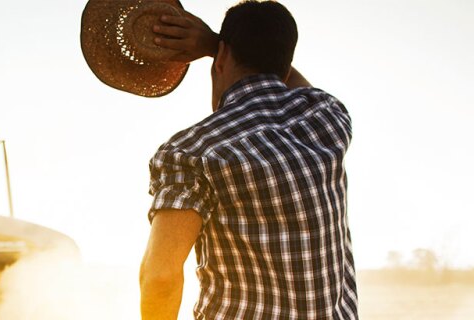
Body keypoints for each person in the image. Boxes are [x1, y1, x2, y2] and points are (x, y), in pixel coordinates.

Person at [139, 1, 358, 319]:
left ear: (223, 57)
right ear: (285, 65)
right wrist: (215, 43)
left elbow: (160, 277)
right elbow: (292, 84)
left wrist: (219, 46)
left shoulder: (190, 152)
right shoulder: (326, 117)